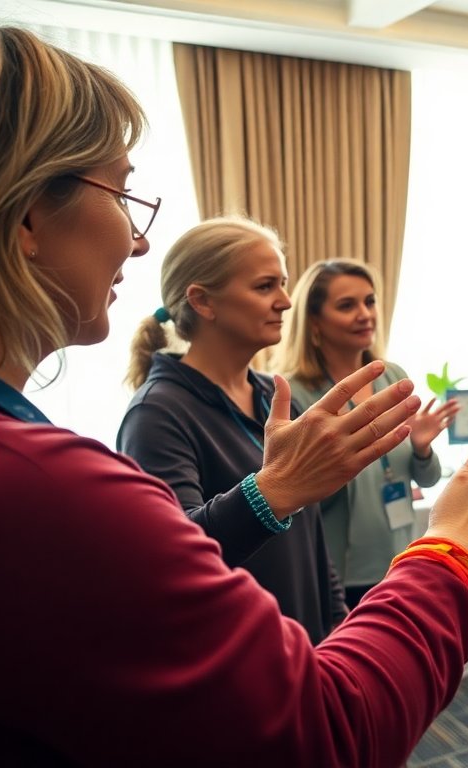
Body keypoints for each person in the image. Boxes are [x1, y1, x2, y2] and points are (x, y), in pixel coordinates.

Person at [0, 15, 468, 763]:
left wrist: (335, 613)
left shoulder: (270, 397)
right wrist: (454, 551)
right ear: (28, 214)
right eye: (121, 195)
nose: (137, 238)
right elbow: (327, 731)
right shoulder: (55, 475)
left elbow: (303, 542)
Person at [119, 218, 352, 643]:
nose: (286, 302)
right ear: (203, 301)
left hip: (306, 643)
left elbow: (311, 535)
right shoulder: (158, 413)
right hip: (237, 655)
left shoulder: (275, 397)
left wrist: (337, 620)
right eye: (265, 287)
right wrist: (273, 491)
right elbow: (176, 557)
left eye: (283, 284)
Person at [273, 259, 460, 608]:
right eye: (347, 305)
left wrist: (421, 449)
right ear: (314, 321)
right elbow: (292, 496)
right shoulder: (295, 394)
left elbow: (428, 479)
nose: (365, 314)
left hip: (400, 562)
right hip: (338, 574)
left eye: (369, 301)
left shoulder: (392, 377)